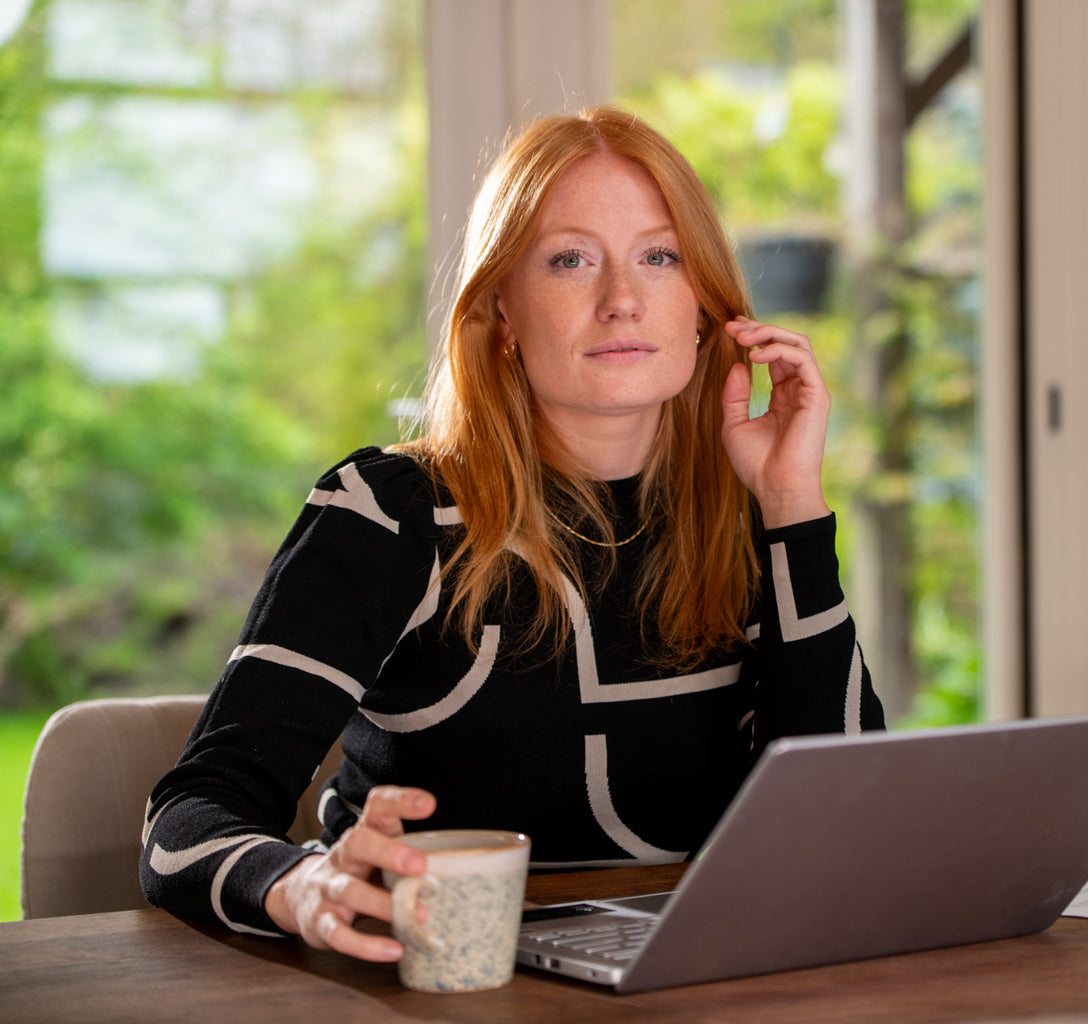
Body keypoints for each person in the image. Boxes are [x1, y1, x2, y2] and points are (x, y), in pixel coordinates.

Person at [140, 106, 884, 962]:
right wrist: (304, 886)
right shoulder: (388, 511)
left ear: (705, 306)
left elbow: (846, 820)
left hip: (705, 985)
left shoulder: (748, 508)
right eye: (570, 261)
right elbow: (188, 818)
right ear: (501, 308)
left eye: (660, 256)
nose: (622, 301)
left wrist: (793, 504)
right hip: (441, 989)